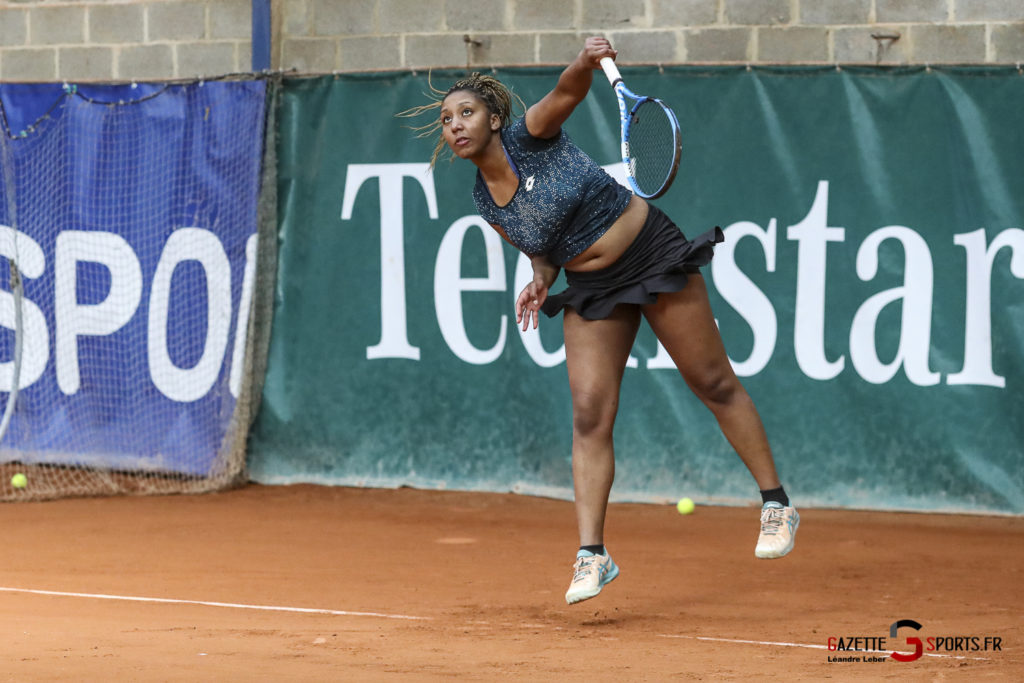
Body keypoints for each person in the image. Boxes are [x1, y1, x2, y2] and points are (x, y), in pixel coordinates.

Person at [401, 37, 799, 605]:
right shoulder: (484, 202)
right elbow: (539, 246)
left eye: (466, 113)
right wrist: (540, 276)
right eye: (447, 120)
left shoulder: (531, 134)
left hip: (651, 254)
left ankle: (777, 504)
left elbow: (568, 90)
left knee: (712, 381)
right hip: (591, 287)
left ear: (492, 118)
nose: (456, 125)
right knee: (589, 412)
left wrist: (586, 61)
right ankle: (593, 554)